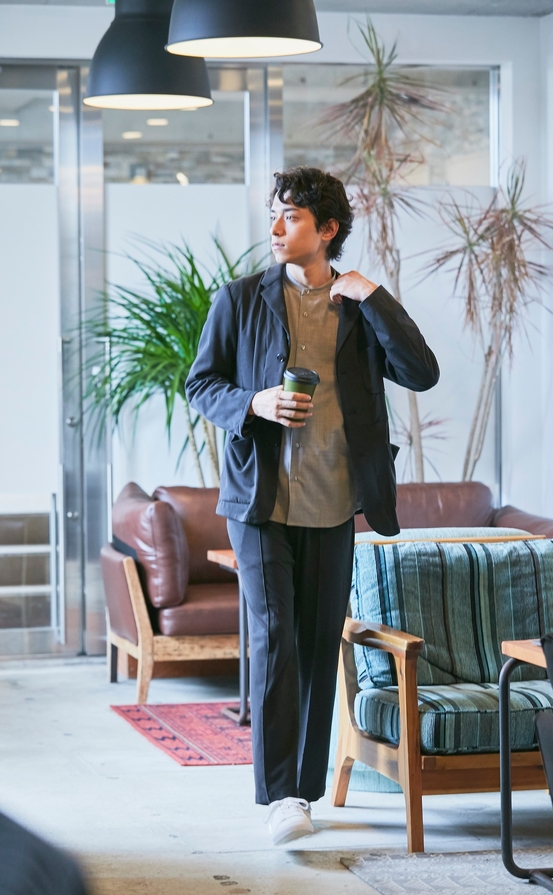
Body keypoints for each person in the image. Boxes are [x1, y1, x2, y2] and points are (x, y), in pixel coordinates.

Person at [185, 166, 439, 845]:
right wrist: (254, 402)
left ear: (326, 229)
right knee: (275, 637)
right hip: (259, 501)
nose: (274, 228)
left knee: (318, 644)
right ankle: (278, 797)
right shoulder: (240, 299)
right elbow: (201, 383)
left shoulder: (359, 307)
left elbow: (421, 372)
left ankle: (300, 793)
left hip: (333, 505)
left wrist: (376, 297)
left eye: (290, 216)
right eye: (273, 213)